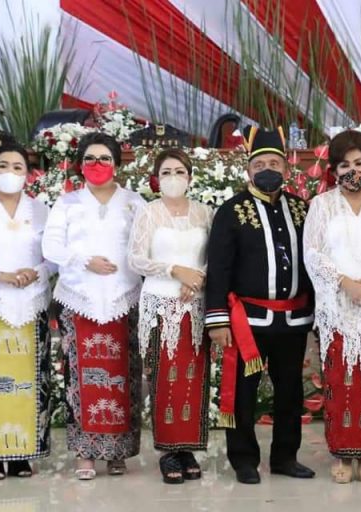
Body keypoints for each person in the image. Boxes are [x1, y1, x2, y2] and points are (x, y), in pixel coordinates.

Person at [205, 125, 315, 484]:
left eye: (275, 162)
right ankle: (244, 459)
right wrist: (218, 320)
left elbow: (314, 263)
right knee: (243, 395)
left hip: (294, 319)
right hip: (246, 321)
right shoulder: (231, 211)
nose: (267, 168)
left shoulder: (302, 210)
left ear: (287, 170)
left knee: (289, 392)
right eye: (260, 163)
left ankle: (285, 456)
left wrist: (317, 314)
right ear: (248, 169)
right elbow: (218, 269)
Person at [42, 132, 146, 480]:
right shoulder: (68, 203)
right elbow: (51, 247)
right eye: (90, 159)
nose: (97, 165)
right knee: (81, 376)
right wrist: (84, 260)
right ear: (80, 165)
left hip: (124, 298)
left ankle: (118, 452)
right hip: (80, 299)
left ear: (117, 164)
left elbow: (147, 246)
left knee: (123, 375)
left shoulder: (135, 203)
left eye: (104, 159)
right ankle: (85, 453)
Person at [304, 130, 361, 483]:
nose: (353, 170)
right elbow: (312, 254)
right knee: (340, 381)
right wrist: (344, 283)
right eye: (345, 164)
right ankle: (343, 452)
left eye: (359, 163)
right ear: (333, 169)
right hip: (338, 305)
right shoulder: (322, 205)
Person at [0, 144, 55, 480]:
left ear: (28, 174)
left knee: (30, 380)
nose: (10, 172)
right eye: (3, 165)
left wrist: (38, 271)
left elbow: (53, 255)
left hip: (31, 302)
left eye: (18, 167)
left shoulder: (41, 210)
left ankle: (22, 454)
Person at [128, 148, 213, 484]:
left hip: (196, 302)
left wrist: (199, 277)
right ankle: (167, 451)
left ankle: (188, 447)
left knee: (193, 377)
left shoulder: (205, 213)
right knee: (165, 378)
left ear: (190, 177)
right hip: (161, 303)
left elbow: (216, 256)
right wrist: (175, 270)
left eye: (179, 172)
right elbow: (136, 259)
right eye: (166, 172)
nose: (173, 178)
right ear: (157, 178)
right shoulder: (149, 213)